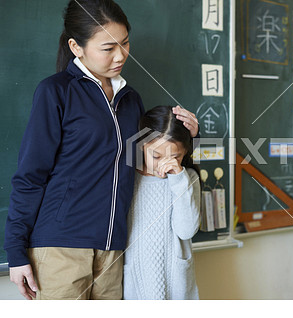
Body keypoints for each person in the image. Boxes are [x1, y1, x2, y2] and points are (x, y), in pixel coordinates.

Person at [4, 0, 198, 300]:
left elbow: (149, 164)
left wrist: (190, 137)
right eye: (108, 48)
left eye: (125, 43)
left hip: (115, 252)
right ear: (76, 46)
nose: (120, 55)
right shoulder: (56, 92)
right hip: (61, 247)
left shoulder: (131, 99)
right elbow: (30, 176)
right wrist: (15, 251)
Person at [123, 106, 201, 300]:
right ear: (141, 145)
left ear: (185, 153)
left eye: (175, 157)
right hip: (135, 282)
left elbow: (186, 231)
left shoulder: (188, 178)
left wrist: (178, 179)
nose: (163, 164)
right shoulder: (128, 178)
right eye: (156, 156)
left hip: (176, 284)